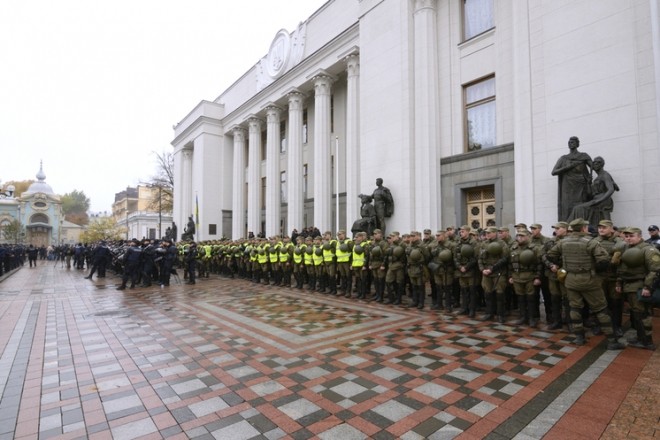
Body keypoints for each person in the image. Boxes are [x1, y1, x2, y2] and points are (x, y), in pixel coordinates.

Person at [546, 218, 624, 349]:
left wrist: (564, 265)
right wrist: (594, 268)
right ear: (583, 228)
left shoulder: (563, 242)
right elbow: (604, 261)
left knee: (575, 308)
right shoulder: (591, 242)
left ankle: (579, 337)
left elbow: (550, 255)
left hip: (570, 280)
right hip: (589, 280)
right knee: (601, 309)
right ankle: (612, 340)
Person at [615, 227, 660, 350]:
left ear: (639, 236)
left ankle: (647, 342)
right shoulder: (626, 248)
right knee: (636, 313)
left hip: (640, 286)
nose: (628, 238)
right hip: (628, 285)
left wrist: (648, 287)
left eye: (632, 236)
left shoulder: (648, 250)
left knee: (643, 313)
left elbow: (655, 270)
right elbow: (621, 269)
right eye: (627, 236)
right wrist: (619, 283)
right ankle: (641, 337)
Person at [551, 136, 593, 221]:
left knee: (580, 207)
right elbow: (554, 172)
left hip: (580, 185)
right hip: (567, 188)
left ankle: (581, 226)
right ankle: (566, 228)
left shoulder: (583, 156)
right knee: (567, 207)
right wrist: (568, 167)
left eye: (573, 142)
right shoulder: (564, 158)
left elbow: (593, 166)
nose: (571, 144)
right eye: (569, 142)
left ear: (577, 144)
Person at [570, 156, 618, 225]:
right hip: (595, 200)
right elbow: (590, 195)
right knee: (577, 208)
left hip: (603, 201)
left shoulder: (605, 175)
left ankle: (572, 227)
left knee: (578, 208)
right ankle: (576, 227)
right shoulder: (597, 178)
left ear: (602, 164)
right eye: (594, 162)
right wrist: (589, 183)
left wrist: (600, 200)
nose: (595, 164)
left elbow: (611, 189)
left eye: (598, 162)